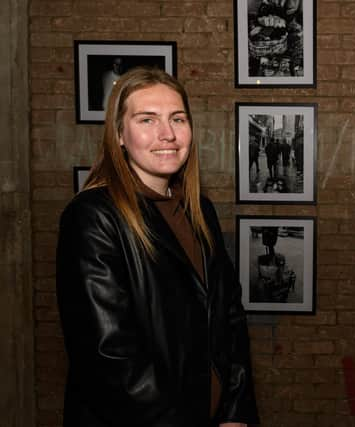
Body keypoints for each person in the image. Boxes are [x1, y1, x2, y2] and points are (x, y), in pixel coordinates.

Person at [56, 68, 259, 427]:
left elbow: (229, 319)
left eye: (177, 119)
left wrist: (235, 412)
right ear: (119, 134)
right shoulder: (92, 216)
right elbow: (108, 357)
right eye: (147, 119)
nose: (167, 134)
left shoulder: (200, 210)